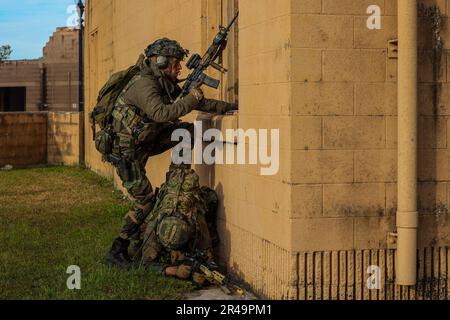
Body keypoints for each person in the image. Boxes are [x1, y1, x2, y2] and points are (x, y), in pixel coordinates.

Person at [104, 38, 237, 268]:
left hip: (142, 142)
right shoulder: (144, 84)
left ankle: (177, 180)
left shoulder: (162, 81)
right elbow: (161, 113)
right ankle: (117, 249)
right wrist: (190, 99)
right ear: (162, 61)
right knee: (145, 201)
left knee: (184, 132)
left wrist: (230, 108)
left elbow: (199, 104)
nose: (179, 68)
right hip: (125, 152)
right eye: (176, 63)